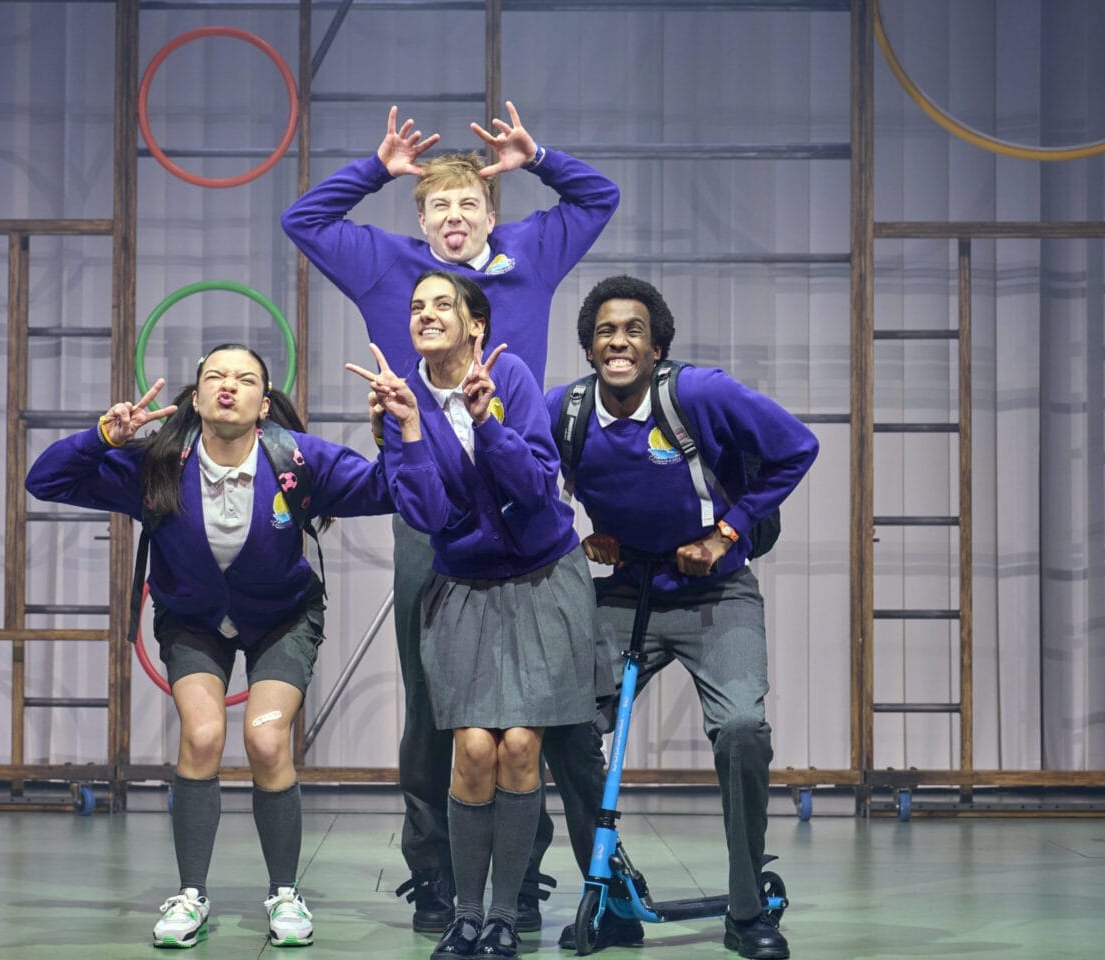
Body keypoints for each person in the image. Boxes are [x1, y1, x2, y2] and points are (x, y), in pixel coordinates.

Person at [281, 99, 619, 933]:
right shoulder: (384, 263)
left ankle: (523, 880)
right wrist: (377, 168)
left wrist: (538, 155)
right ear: (421, 218)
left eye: (469, 204)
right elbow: (303, 217)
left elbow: (597, 198)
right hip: (433, 501)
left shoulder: (529, 254)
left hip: (524, 492)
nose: (456, 217)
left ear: (491, 215)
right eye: (439, 206)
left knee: (539, 716)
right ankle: (436, 873)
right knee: (439, 702)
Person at [25, 344, 393, 951]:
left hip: (282, 619)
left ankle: (284, 893)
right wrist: (102, 437)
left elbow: (388, 490)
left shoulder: (297, 459)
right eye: (215, 377)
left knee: (266, 739)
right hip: (194, 620)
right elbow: (47, 479)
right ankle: (190, 894)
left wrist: (394, 429)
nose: (229, 386)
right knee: (201, 737)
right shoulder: (158, 463)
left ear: (264, 402)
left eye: (245, 379)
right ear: (194, 399)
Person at [542, 276, 818, 960]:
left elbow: (797, 447)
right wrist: (576, 535)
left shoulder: (698, 394)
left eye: (634, 330)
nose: (619, 341)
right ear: (588, 346)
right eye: (606, 330)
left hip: (715, 594)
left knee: (743, 731)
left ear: (657, 345)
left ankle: (748, 909)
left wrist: (730, 531)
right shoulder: (566, 411)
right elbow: (517, 477)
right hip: (626, 589)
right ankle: (610, 894)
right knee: (563, 725)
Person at [346, 271, 605, 960]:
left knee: (522, 746)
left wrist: (486, 421)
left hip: (542, 580)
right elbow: (430, 516)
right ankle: (466, 916)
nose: (426, 315)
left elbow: (531, 487)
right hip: (462, 587)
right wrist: (403, 433)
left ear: (474, 325)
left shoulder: (509, 376)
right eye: (416, 307)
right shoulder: (406, 399)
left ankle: (504, 914)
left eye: (442, 305)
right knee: (472, 748)